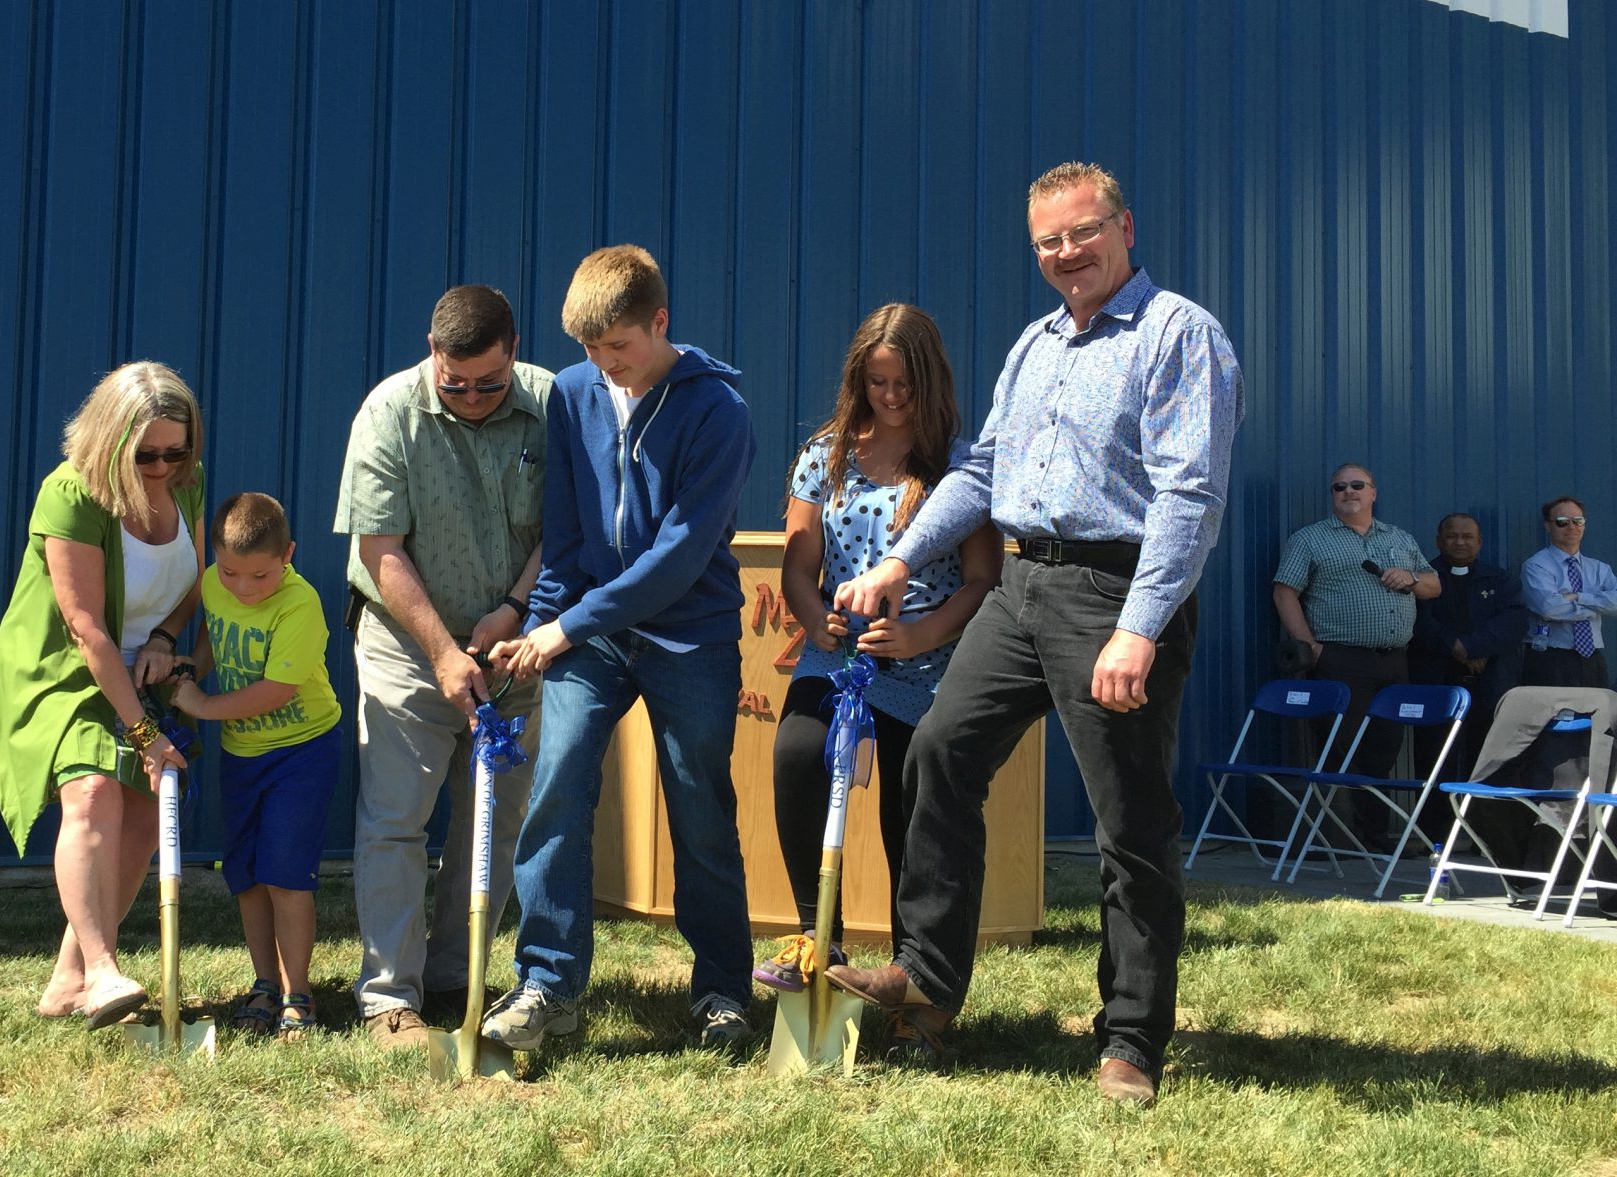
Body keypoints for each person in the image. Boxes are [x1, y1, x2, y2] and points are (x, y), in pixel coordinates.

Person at [825, 162, 1243, 1105]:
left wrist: (1140, 628)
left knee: (1128, 819)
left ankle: (1132, 1035)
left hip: (1118, 589)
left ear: (1125, 227)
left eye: (1082, 233)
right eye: (1048, 242)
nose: (1066, 254)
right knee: (939, 749)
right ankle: (928, 980)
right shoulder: (1037, 344)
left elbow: (1188, 496)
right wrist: (899, 558)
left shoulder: (1179, 335)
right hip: (1019, 584)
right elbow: (981, 474)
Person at [483, 244, 758, 1051]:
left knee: (699, 805)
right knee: (558, 785)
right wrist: (545, 621)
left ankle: (721, 993)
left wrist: (567, 625)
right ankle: (548, 983)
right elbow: (563, 533)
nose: (608, 368)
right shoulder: (572, 394)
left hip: (690, 633)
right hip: (588, 635)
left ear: (660, 322)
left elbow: (678, 556)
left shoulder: (719, 412)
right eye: (593, 353)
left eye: (621, 350)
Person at [752, 304, 1001, 1047]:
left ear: (932, 382)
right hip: (839, 651)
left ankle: (909, 976)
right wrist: (813, 612)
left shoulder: (958, 465)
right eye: (878, 381)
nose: (891, 396)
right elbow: (799, 562)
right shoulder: (825, 455)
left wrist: (922, 630)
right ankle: (814, 937)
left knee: (909, 806)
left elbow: (982, 577)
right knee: (798, 753)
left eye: (905, 383)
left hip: (924, 660)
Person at [333, 285, 554, 1048]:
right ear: (432, 350)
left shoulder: (553, 405)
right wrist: (440, 650)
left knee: (496, 815)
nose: (468, 397)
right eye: (452, 382)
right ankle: (389, 997)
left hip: (518, 644)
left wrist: (517, 610)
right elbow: (379, 549)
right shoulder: (388, 412)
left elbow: (571, 528)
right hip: (406, 639)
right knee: (396, 816)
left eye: (488, 384)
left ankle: (457, 976)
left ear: (514, 350)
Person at [0, 361, 205, 1029]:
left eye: (176, 450)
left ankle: (68, 979)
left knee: (141, 814)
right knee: (93, 792)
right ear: (111, 440)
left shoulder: (184, 488)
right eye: (147, 454)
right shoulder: (72, 494)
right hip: (64, 668)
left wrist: (168, 635)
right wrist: (144, 734)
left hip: (140, 670)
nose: (164, 467)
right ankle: (104, 968)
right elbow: (84, 625)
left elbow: (198, 575)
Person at [169, 492, 342, 1039]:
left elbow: (276, 689)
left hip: (302, 751)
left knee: (286, 876)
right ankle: (264, 983)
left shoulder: (300, 604)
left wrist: (201, 706)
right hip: (241, 756)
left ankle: (298, 993)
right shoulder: (217, 585)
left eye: (260, 577)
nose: (243, 588)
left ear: (288, 554)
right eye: (230, 572)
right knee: (246, 877)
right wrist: (188, 671)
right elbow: (215, 638)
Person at [1271, 464, 1438, 823]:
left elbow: (1434, 586)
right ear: (1332, 495)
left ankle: (1375, 838)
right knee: (1341, 748)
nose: (1349, 491)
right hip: (1341, 661)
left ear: (1373, 493)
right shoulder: (1309, 539)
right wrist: (1309, 647)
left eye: (1357, 485)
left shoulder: (1399, 538)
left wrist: (1410, 578)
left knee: (1386, 748)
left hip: (1394, 662)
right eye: (1339, 487)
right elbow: (1285, 593)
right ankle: (1340, 838)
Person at [1408, 513, 1524, 779]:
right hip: (1437, 682)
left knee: (1490, 763)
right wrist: (1455, 646)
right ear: (1438, 541)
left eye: (1467, 536)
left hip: (1491, 683)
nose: (1460, 542)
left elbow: (1514, 620)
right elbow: (1417, 620)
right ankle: (1432, 822)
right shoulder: (1422, 579)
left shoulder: (1499, 579)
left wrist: (1473, 647)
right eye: (1451, 536)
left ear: (1480, 542)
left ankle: (1481, 822)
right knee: (1433, 761)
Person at [1521, 496, 1617, 689]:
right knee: (1550, 717)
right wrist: (1597, 607)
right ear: (1548, 526)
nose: (1571, 527)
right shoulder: (1536, 566)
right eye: (1562, 522)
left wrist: (1579, 597)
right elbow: (1549, 608)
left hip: (1592, 658)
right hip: (1551, 658)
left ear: (1584, 525)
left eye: (1578, 521)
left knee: (1598, 716)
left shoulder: (1600, 569)